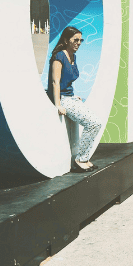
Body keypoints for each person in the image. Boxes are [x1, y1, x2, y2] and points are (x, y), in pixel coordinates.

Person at [48, 26, 104, 172]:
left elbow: (68, 81)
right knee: (94, 123)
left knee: (96, 123)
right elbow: (55, 82)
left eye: (81, 40)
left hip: (70, 97)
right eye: (75, 40)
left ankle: (84, 158)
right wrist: (58, 104)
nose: (78, 43)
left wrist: (74, 95)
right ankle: (81, 159)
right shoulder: (59, 57)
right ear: (66, 40)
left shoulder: (73, 56)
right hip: (63, 99)